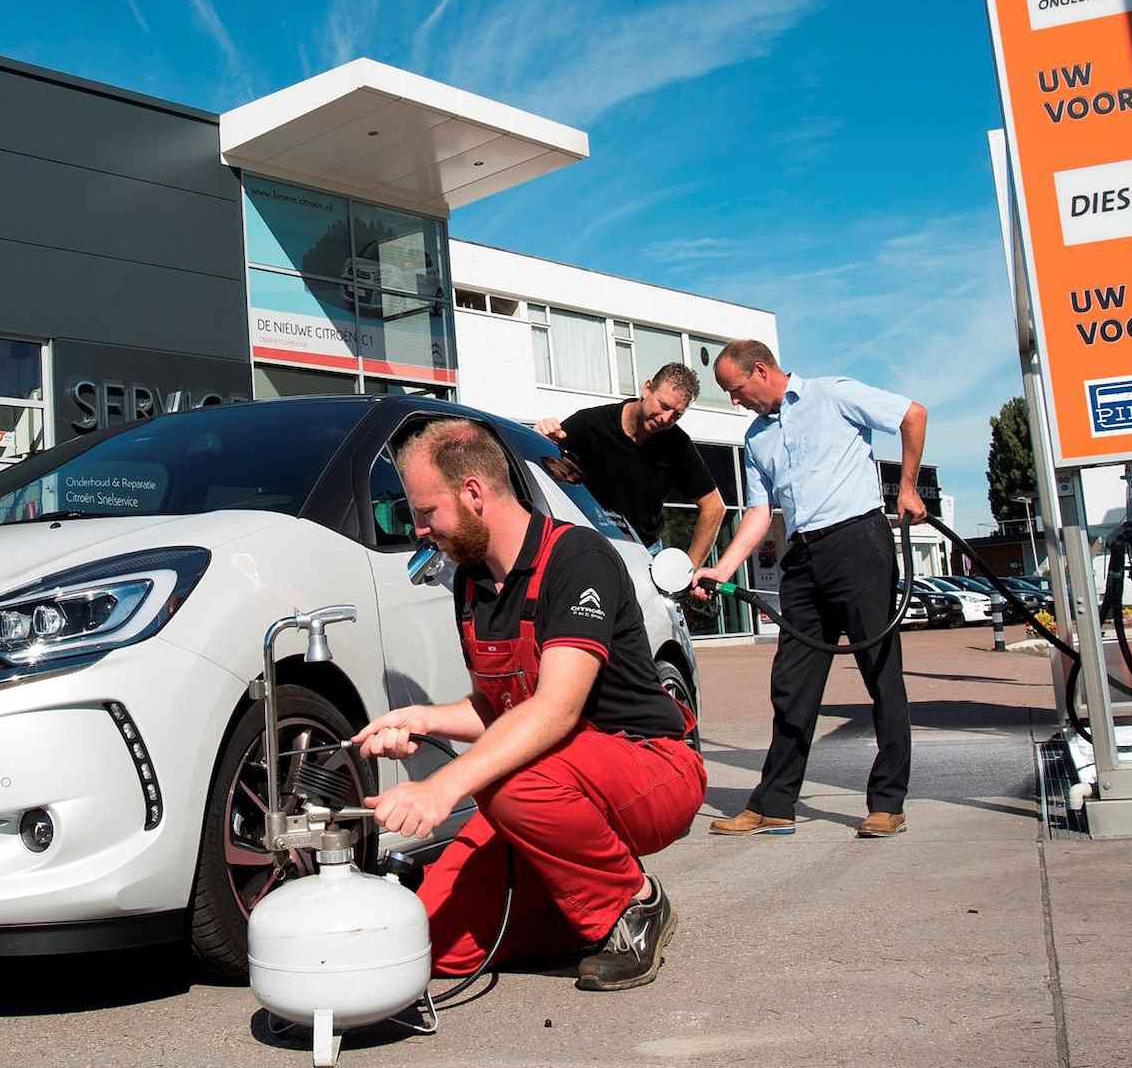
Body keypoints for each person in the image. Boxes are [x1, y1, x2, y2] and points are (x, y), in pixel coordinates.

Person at [356, 418, 707, 990]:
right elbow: (501, 709)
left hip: (650, 768)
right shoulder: (471, 583)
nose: (419, 530)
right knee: (434, 947)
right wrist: (419, 719)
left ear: (473, 494)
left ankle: (634, 903)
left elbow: (553, 711)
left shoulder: (578, 558)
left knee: (510, 781)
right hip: (555, 779)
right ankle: (572, 906)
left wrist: (441, 788)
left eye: (426, 512)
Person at [694, 340, 927, 839]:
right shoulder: (756, 439)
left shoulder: (833, 395)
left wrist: (906, 487)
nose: (734, 401)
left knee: (880, 673)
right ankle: (775, 803)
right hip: (803, 556)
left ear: (760, 371)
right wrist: (724, 569)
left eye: (735, 390)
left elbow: (912, 414)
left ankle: (888, 803)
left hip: (858, 542)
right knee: (791, 684)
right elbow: (760, 513)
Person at [533, 362, 725, 562]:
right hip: (589, 545)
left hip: (645, 552)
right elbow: (547, 466)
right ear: (647, 388)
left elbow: (714, 507)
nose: (666, 419)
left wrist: (689, 570)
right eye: (664, 406)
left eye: (677, 415)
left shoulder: (677, 445)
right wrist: (542, 437)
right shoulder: (590, 423)